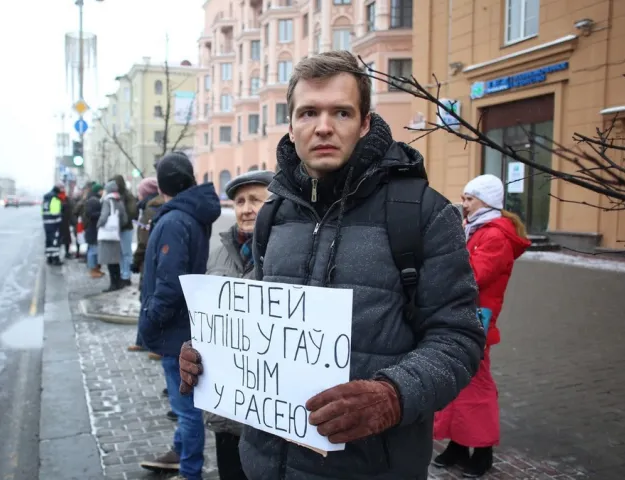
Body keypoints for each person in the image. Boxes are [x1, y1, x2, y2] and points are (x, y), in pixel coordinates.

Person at [177, 50, 485, 479]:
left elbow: (459, 338)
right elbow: (258, 326)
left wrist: (392, 396)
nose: (323, 126)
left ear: (364, 122)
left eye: (341, 111)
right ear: (291, 124)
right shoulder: (274, 214)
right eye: (308, 112)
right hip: (266, 466)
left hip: (371, 468)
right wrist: (209, 353)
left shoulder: (423, 213)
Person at [432, 174, 531, 477]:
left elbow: (473, 275)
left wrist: (445, 260)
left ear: (486, 202)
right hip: (464, 313)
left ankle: (483, 450)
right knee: (458, 379)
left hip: (478, 318)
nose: (463, 204)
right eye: (463, 197)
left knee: (477, 384)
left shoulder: (495, 235)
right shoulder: (474, 229)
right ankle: (460, 445)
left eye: (469, 199)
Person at [137, 152, 221, 480]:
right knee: (184, 404)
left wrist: (149, 321)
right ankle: (178, 454)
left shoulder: (174, 220)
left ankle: (190, 472)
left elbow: (169, 285)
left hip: (175, 330)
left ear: (163, 184)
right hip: (186, 323)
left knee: (186, 411)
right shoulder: (187, 214)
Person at [204, 169, 273, 480]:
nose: (245, 208)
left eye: (256, 200)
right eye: (240, 201)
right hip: (228, 408)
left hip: (272, 413)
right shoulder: (219, 254)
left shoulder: (291, 254)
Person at [128, 177, 165, 354]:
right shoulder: (153, 206)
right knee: (149, 300)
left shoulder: (150, 209)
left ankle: (150, 342)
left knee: (148, 300)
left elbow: (144, 241)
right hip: (154, 260)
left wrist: (136, 261)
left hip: (148, 261)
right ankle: (144, 341)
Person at [97, 180, 128, 292]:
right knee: (115, 260)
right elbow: (124, 219)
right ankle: (118, 282)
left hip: (107, 234)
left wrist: (99, 224)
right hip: (115, 234)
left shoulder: (107, 201)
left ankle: (113, 285)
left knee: (109, 261)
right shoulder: (119, 200)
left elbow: (104, 216)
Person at [111, 174, 139, 287]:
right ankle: (124, 275)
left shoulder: (128, 196)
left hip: (126, 228)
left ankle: (126, 276)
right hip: (119, 228)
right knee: (121, 253)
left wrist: (122, 218)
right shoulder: (117, 195)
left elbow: (132, 212)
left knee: (126, 253)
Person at [84, 183, 104, 278]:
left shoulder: (95, 199)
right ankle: (93, 270)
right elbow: (90, 214)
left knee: (95, 250)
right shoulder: (93, 200)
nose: (103, 192)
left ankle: (96, 269)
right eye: (101, 190)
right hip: (92, 230)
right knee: (93, 251)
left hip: (94, 229)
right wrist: (102, 214)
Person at [41, 184, 64, 265]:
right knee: (55, 241)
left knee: (48, 240)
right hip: (53, 223)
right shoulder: (54, 198)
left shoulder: (46, 198)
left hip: (46, 223)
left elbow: (43, 212)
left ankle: (49, 257)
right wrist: (60, 221)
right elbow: (55, 213)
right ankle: (55, 258)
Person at [58, 187, 73, 257]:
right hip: (60, 222)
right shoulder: (57, 199)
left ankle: (67, 252)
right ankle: (57, 254)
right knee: (60, 239)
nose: (63, 190)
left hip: (66, 222)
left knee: (67, 239)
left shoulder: (66, 199)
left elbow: (70, 209)